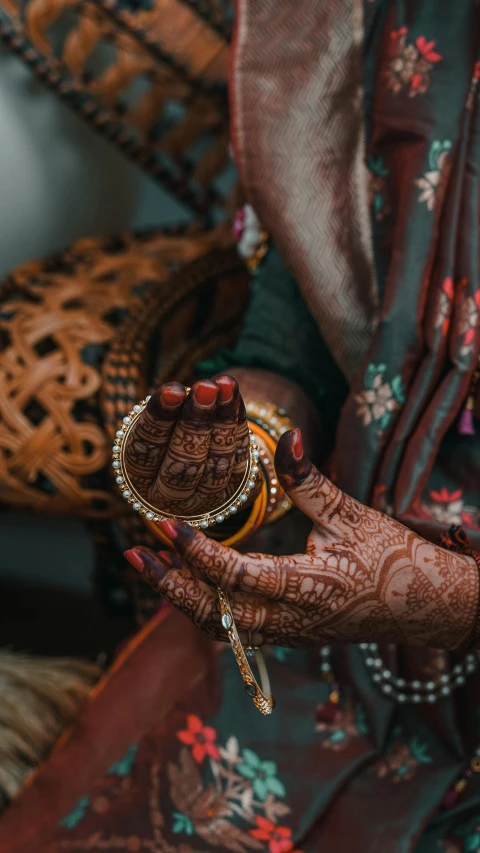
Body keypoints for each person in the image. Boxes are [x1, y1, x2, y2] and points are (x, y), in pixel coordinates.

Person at [48, 0, 480, 850]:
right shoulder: (375, 24)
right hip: (343, 628)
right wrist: (233, 454)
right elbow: (294, 342)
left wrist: (449, 601)